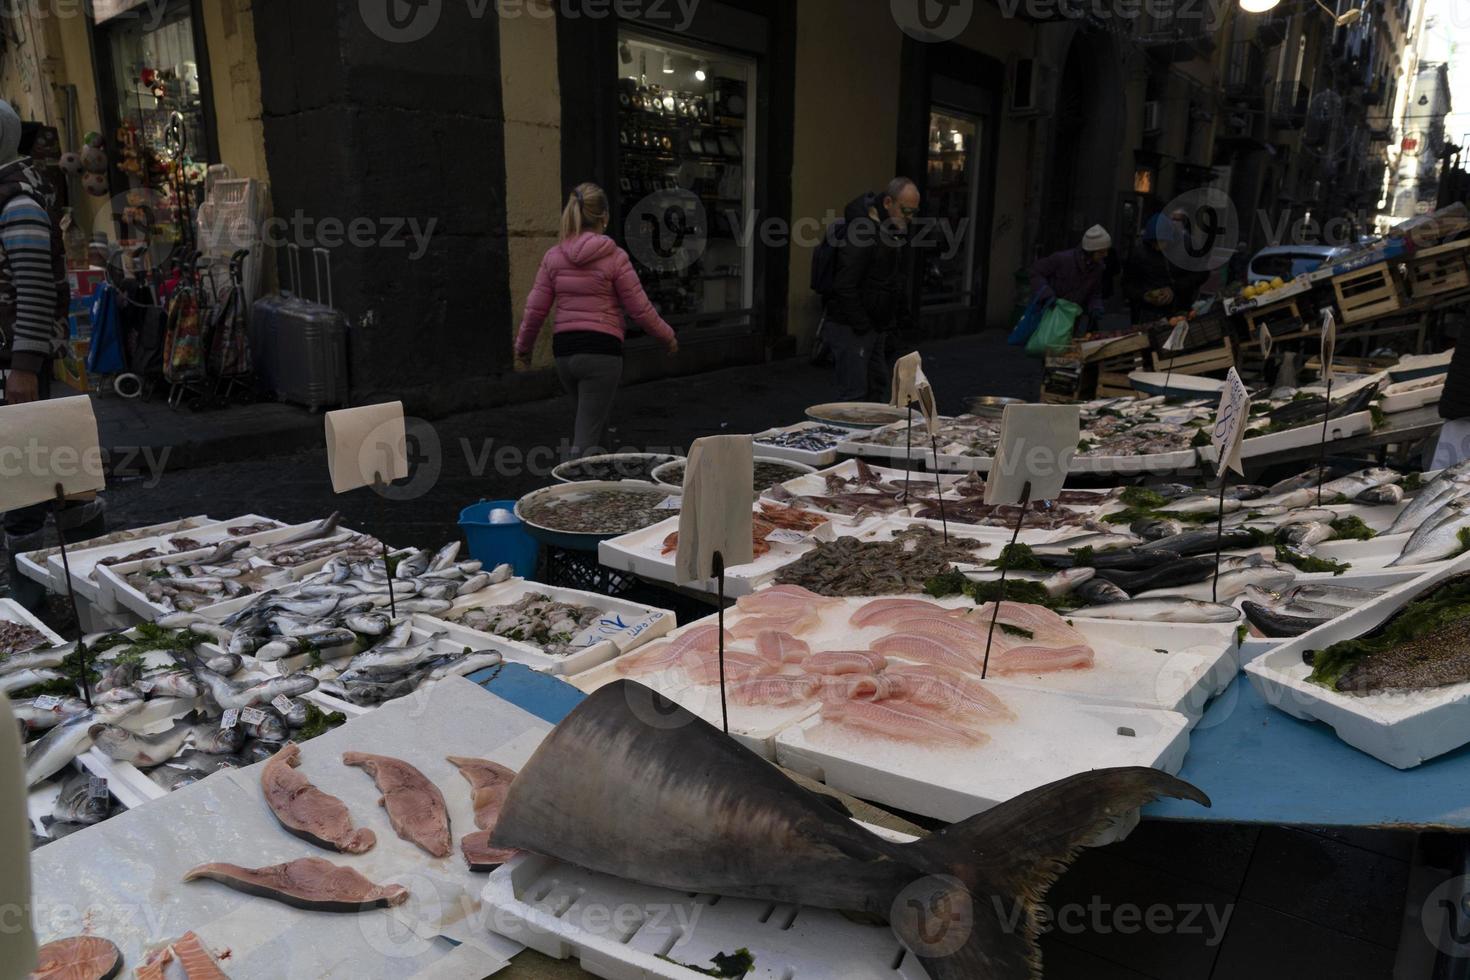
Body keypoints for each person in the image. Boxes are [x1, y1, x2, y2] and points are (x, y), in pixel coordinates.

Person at [0, 100, 102, 613]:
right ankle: (76, 596)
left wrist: (22, 370)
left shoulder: (15, 201)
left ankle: (42, 604)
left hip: (26, 367)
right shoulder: (14, 192)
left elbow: (35, 290)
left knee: (31, 486)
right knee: (55, 480)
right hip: (25, 363)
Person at [514, 183, 678, 457]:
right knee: (585, 440)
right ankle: (571, 492)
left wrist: (523, 349)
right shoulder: (615, 257)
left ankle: (605, 485)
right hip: (602, 353)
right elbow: (639, 308)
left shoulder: (553, 257)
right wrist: (667, 336)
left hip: (565, 354)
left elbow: (535, 310)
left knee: (594, 423)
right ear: (604, 217)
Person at [824, 177, 920, 403]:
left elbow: (887, 280)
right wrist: (863, 325)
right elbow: (845, 284)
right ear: (888, 202)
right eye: (906, 210)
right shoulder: (863, 231)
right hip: (854, 327)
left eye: (913, 212)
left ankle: (868, 437)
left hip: (872, 326)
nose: (909, 218)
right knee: (856, 397)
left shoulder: (885, 229)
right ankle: (851, 437)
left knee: (875, 389)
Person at [1030, 225, 1113, 332]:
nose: (1105, 255)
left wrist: (1096, 307)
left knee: (1065, 347)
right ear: (1090, 251)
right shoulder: (1062, 259)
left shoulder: (1097, 268)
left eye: (1106, 251)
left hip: (1071, 320)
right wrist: (1046, 294)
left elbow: (1095, 292)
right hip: (1049, 314)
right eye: (1101, 252)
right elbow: (1036, 271)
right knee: (1045, 345)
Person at [1124, 213, 1192, 323]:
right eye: (1155, 241)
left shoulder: (1176, 253)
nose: (1159, 246)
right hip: (1145, 311)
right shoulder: (1139, 254)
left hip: (1172, 310)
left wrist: (1173, 290)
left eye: (1162, 241)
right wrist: (1144, 295)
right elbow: (1128, 284)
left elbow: (1189, 279)